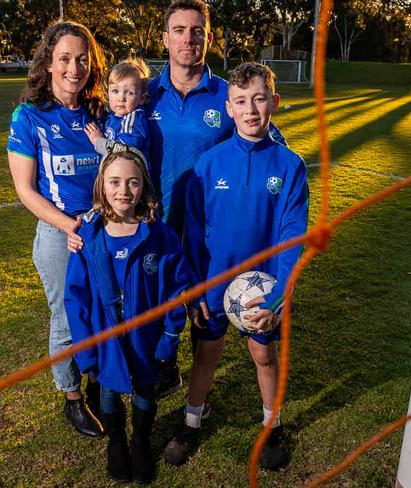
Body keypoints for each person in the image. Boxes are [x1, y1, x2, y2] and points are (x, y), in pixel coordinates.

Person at [162, 62, 309, 470]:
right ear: (228, 108)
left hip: (263, 290)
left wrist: (279, 293)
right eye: (241, 101)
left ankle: (272, 424)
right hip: (213, 283)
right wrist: (195, 286)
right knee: (206, 354)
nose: (250, 109)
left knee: (263, 357)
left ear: (274, 103)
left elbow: (291, 235)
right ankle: (192, 422)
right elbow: (193, 233)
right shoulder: (208, 165)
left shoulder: (290, 166)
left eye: (259, 100)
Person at [147, 0, 286, 399]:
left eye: (196, 31)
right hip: (155, 227)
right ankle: (163, 367)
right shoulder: (147, 95)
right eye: (178, 30)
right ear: (165, 38)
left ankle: (196, 381)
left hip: (204, 228)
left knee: (201, 309)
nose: (187, 39)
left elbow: (265, 144)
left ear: (209, 38)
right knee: (157, 304)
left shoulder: (228, 95)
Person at [64, 146, 191, 484]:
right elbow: (75, 299)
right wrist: (85, 348)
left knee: (146, 390)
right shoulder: (87, 237)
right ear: (101, 186)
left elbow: (177, 291)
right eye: (115, 182)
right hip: (105, 341)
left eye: (132, 183)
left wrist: (168, 338)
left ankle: (140, 442)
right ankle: (118, 442)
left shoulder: (158, 236)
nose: (123, 191)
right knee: (107, 390)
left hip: (146, 338)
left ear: (144, 186)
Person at [6, 21, 107, 438]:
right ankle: (72, 397)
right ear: (48, 63)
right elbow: (24, 190)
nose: (74, 67)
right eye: (64, 58)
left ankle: (102, 379)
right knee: (67, 317)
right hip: (59, 235)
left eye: (82, 59)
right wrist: (70, 224)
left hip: (103, 230)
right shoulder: (28, 116)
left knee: (105, 309)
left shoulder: (100, 111)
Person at [84, 57, 151, 165]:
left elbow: (125, 153)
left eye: (129, 93)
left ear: (142, 98)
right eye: (115, 91)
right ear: (108, 93)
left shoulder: (133, 118)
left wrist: (98, 141)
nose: (121, 98)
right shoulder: (113, 116)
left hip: (131, 177)